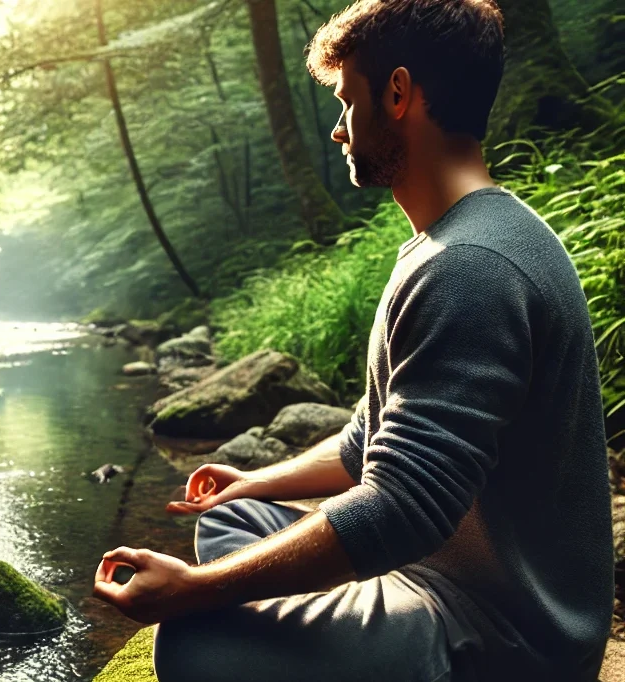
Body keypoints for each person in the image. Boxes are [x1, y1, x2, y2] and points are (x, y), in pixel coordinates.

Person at [91, 1, 615, 680]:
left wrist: (192, 592)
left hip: (503, 636)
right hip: (432, 582)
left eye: (345, 103)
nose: (339, 132)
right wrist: (254, 480)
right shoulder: (447, 244)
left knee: (192, 643)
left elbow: (402, 506)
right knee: (234, 519)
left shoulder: (472, 267)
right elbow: (366, 441)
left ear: (397, 94)